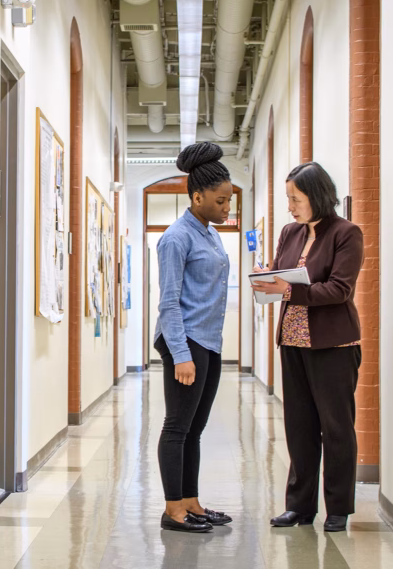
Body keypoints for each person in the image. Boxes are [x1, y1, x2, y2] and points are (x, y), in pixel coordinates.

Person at [251, 162, 364, 533]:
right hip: (293, 342)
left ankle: (338, 507)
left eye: (295, 198)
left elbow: (339, 289)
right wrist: (268, 278)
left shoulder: (347, 234)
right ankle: (299, 506)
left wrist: (287, 288)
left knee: (336, 428)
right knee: (299, 426)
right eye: (288, 199)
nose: (290, 206)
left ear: (317, 195)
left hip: (333, 344)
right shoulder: (290, 233)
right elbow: (281, 273)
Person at [154, 142, 234, 533]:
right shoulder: (175, 238)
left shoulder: (209, 232)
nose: (227, 208)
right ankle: (173, 511)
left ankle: (191, 501)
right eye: (220, 201)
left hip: (210, 341)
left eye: (230, 200)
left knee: (195, 428)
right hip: (185, 343)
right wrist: (181, 354)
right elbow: (169, 304)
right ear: (197, 197)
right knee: (177, 427)